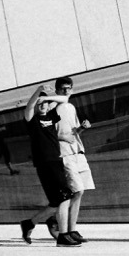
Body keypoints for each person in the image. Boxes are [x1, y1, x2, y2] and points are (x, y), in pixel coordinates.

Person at [19, 85, 79, 246]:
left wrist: (47, 98)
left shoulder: (51, 116)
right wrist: (38, 92)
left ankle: (30, 223)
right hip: (45, 163)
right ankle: (63, 236)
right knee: (64, 196)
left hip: (57, 160)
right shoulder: (32, 119)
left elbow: (64, 100)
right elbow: (30, 106)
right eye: (40, 104)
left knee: (56, 201)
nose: (43, 105)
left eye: (45, 103)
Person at [54, 77, 94, 243]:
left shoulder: (70, 107)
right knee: (77, 191)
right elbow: (47, 133)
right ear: (57, 90)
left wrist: (82, 128)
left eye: (68, 88)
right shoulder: (53, 109)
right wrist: (61, 136)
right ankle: (59, 224)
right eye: (63, 88)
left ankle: (72, 229)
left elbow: (74, 132)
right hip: (65, 155)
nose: (66, 91)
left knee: (79, 192)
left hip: (78, 153)